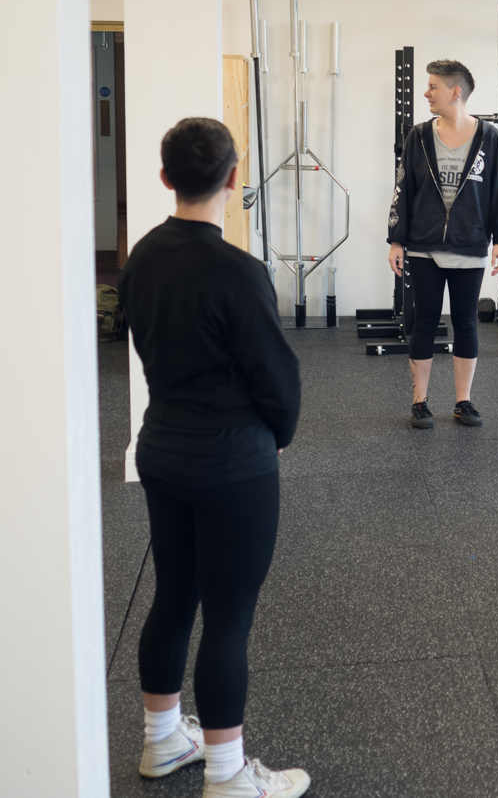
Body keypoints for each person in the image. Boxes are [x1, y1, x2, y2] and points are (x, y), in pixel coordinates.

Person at [119, 118, 308, 797]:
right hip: (234, 466)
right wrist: (278, 434)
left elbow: (134, 342)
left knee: (174, 594)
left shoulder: (139, 257)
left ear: (166, 177)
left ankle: (163, 741)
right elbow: (276, 378)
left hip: (164, 453)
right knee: (229, 616)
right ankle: (228, 775)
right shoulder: (238, 271)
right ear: (234, 178)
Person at [387, 59, 498, 429]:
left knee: (466, 323)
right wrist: (396, 239)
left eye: (433, 87)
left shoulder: (489, 137)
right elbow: (403, 189)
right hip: (423, 246)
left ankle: (463, 401)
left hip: (469, 244)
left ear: (455, 92)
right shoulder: (419, 136)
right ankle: (420, 402)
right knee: (423, 322)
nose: (426, 93)